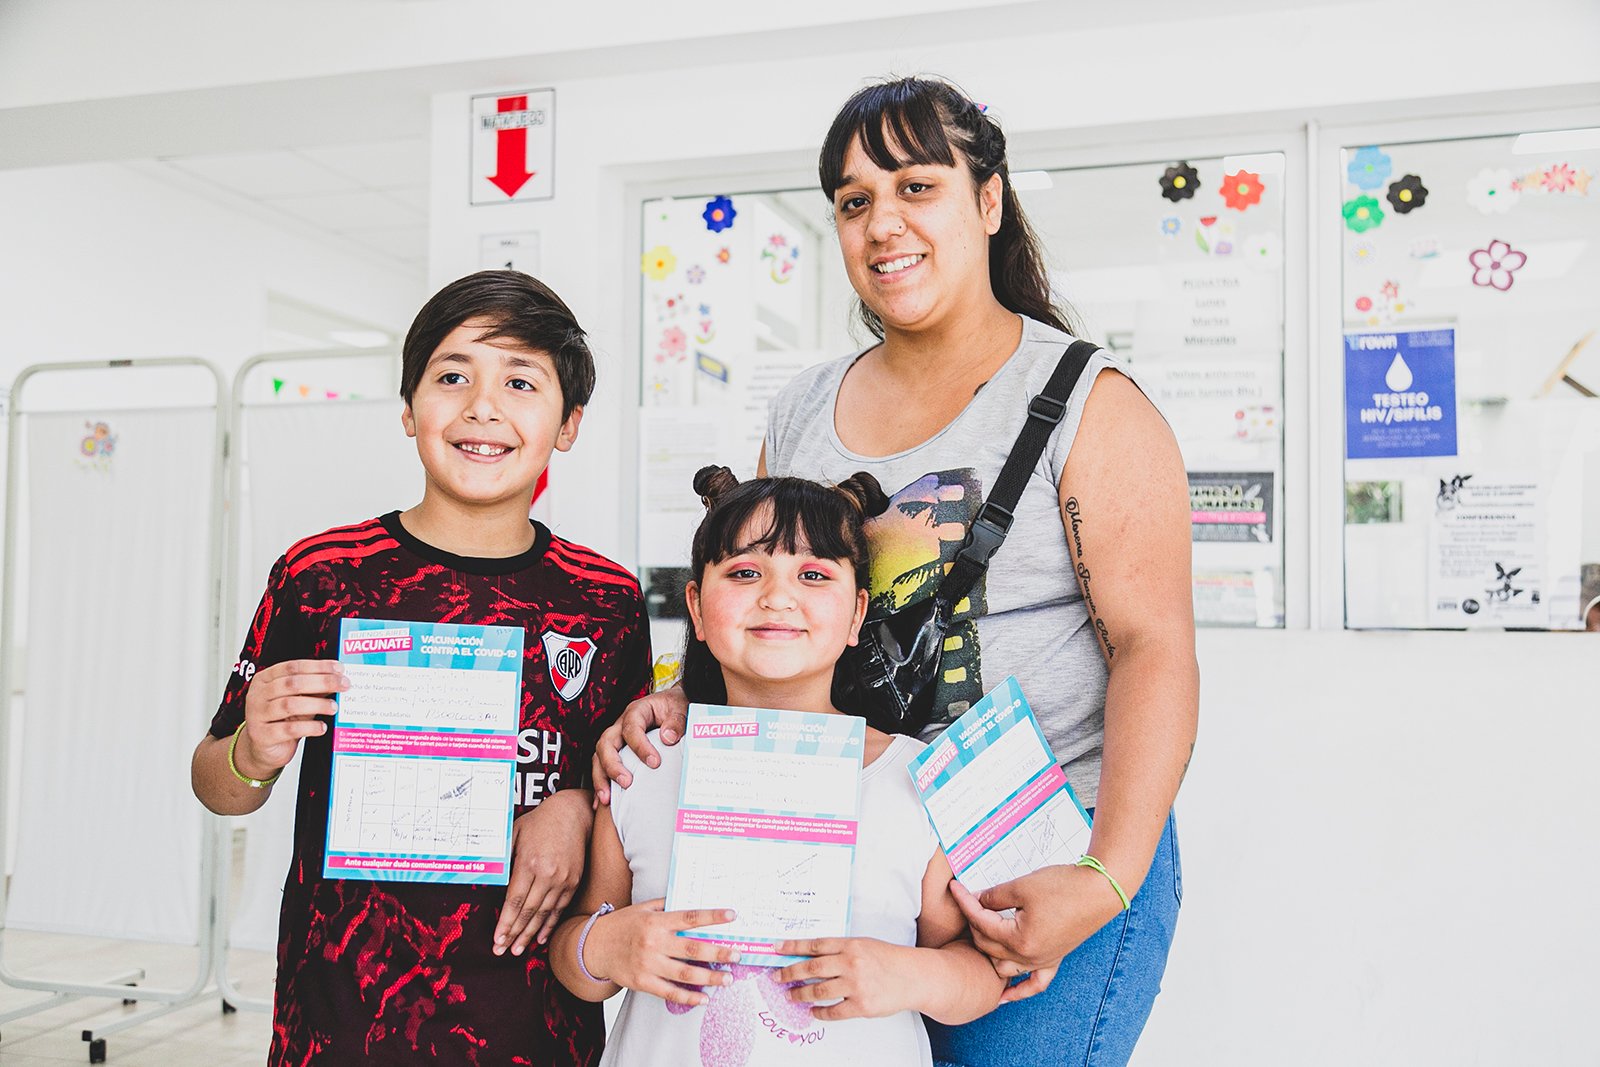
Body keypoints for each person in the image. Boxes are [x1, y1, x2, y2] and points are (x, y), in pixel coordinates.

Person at [593, 76, 1198, 1066]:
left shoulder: (1088, 399)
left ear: (988, 201)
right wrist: (676, 697)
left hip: (1035, 846)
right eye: (853, 200)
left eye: (917, 186)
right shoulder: (801, 408)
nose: (883, 223)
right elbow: (759, 593)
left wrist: (1102, 874)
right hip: (845, 836)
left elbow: (1153, 646)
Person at [191, 270, 651, 1065]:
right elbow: (218, 785)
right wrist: (250, 750)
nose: (482, 406)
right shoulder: (323, 572)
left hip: (531, 1017)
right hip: (341, 1015)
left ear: (568, 423)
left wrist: (576, 802)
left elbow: (633, 790)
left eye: (520, 381)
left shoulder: (604, 598)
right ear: (408, 409)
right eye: (451, 376)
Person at [551, 467, 1005, 1066]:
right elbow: (574, 953)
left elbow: (979, 972)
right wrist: (607, 947)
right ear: (697, 607)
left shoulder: (917, 778)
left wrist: (908, 974)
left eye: (813, 575)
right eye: (744, 572)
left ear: (855, 616)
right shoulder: (646, 768)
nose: (777, 597)